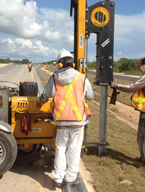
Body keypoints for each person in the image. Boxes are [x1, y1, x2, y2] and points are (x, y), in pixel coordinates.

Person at [40, 50, 95, 187]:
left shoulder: (54, 78)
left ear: (59, 64)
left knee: (60, 148)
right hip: (78, 121)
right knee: (74, 149)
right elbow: (92, 96)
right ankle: (70, 178)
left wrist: (42, 99)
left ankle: (58, 178)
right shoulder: (82, 78)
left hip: (61, 120)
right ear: (72, 63)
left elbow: (46, 95)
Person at [110, 54, 145, 169]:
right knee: (142, 136)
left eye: (141, 67)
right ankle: (143, 158)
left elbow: (132, 87)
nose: (141, 70)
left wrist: (115, 85)